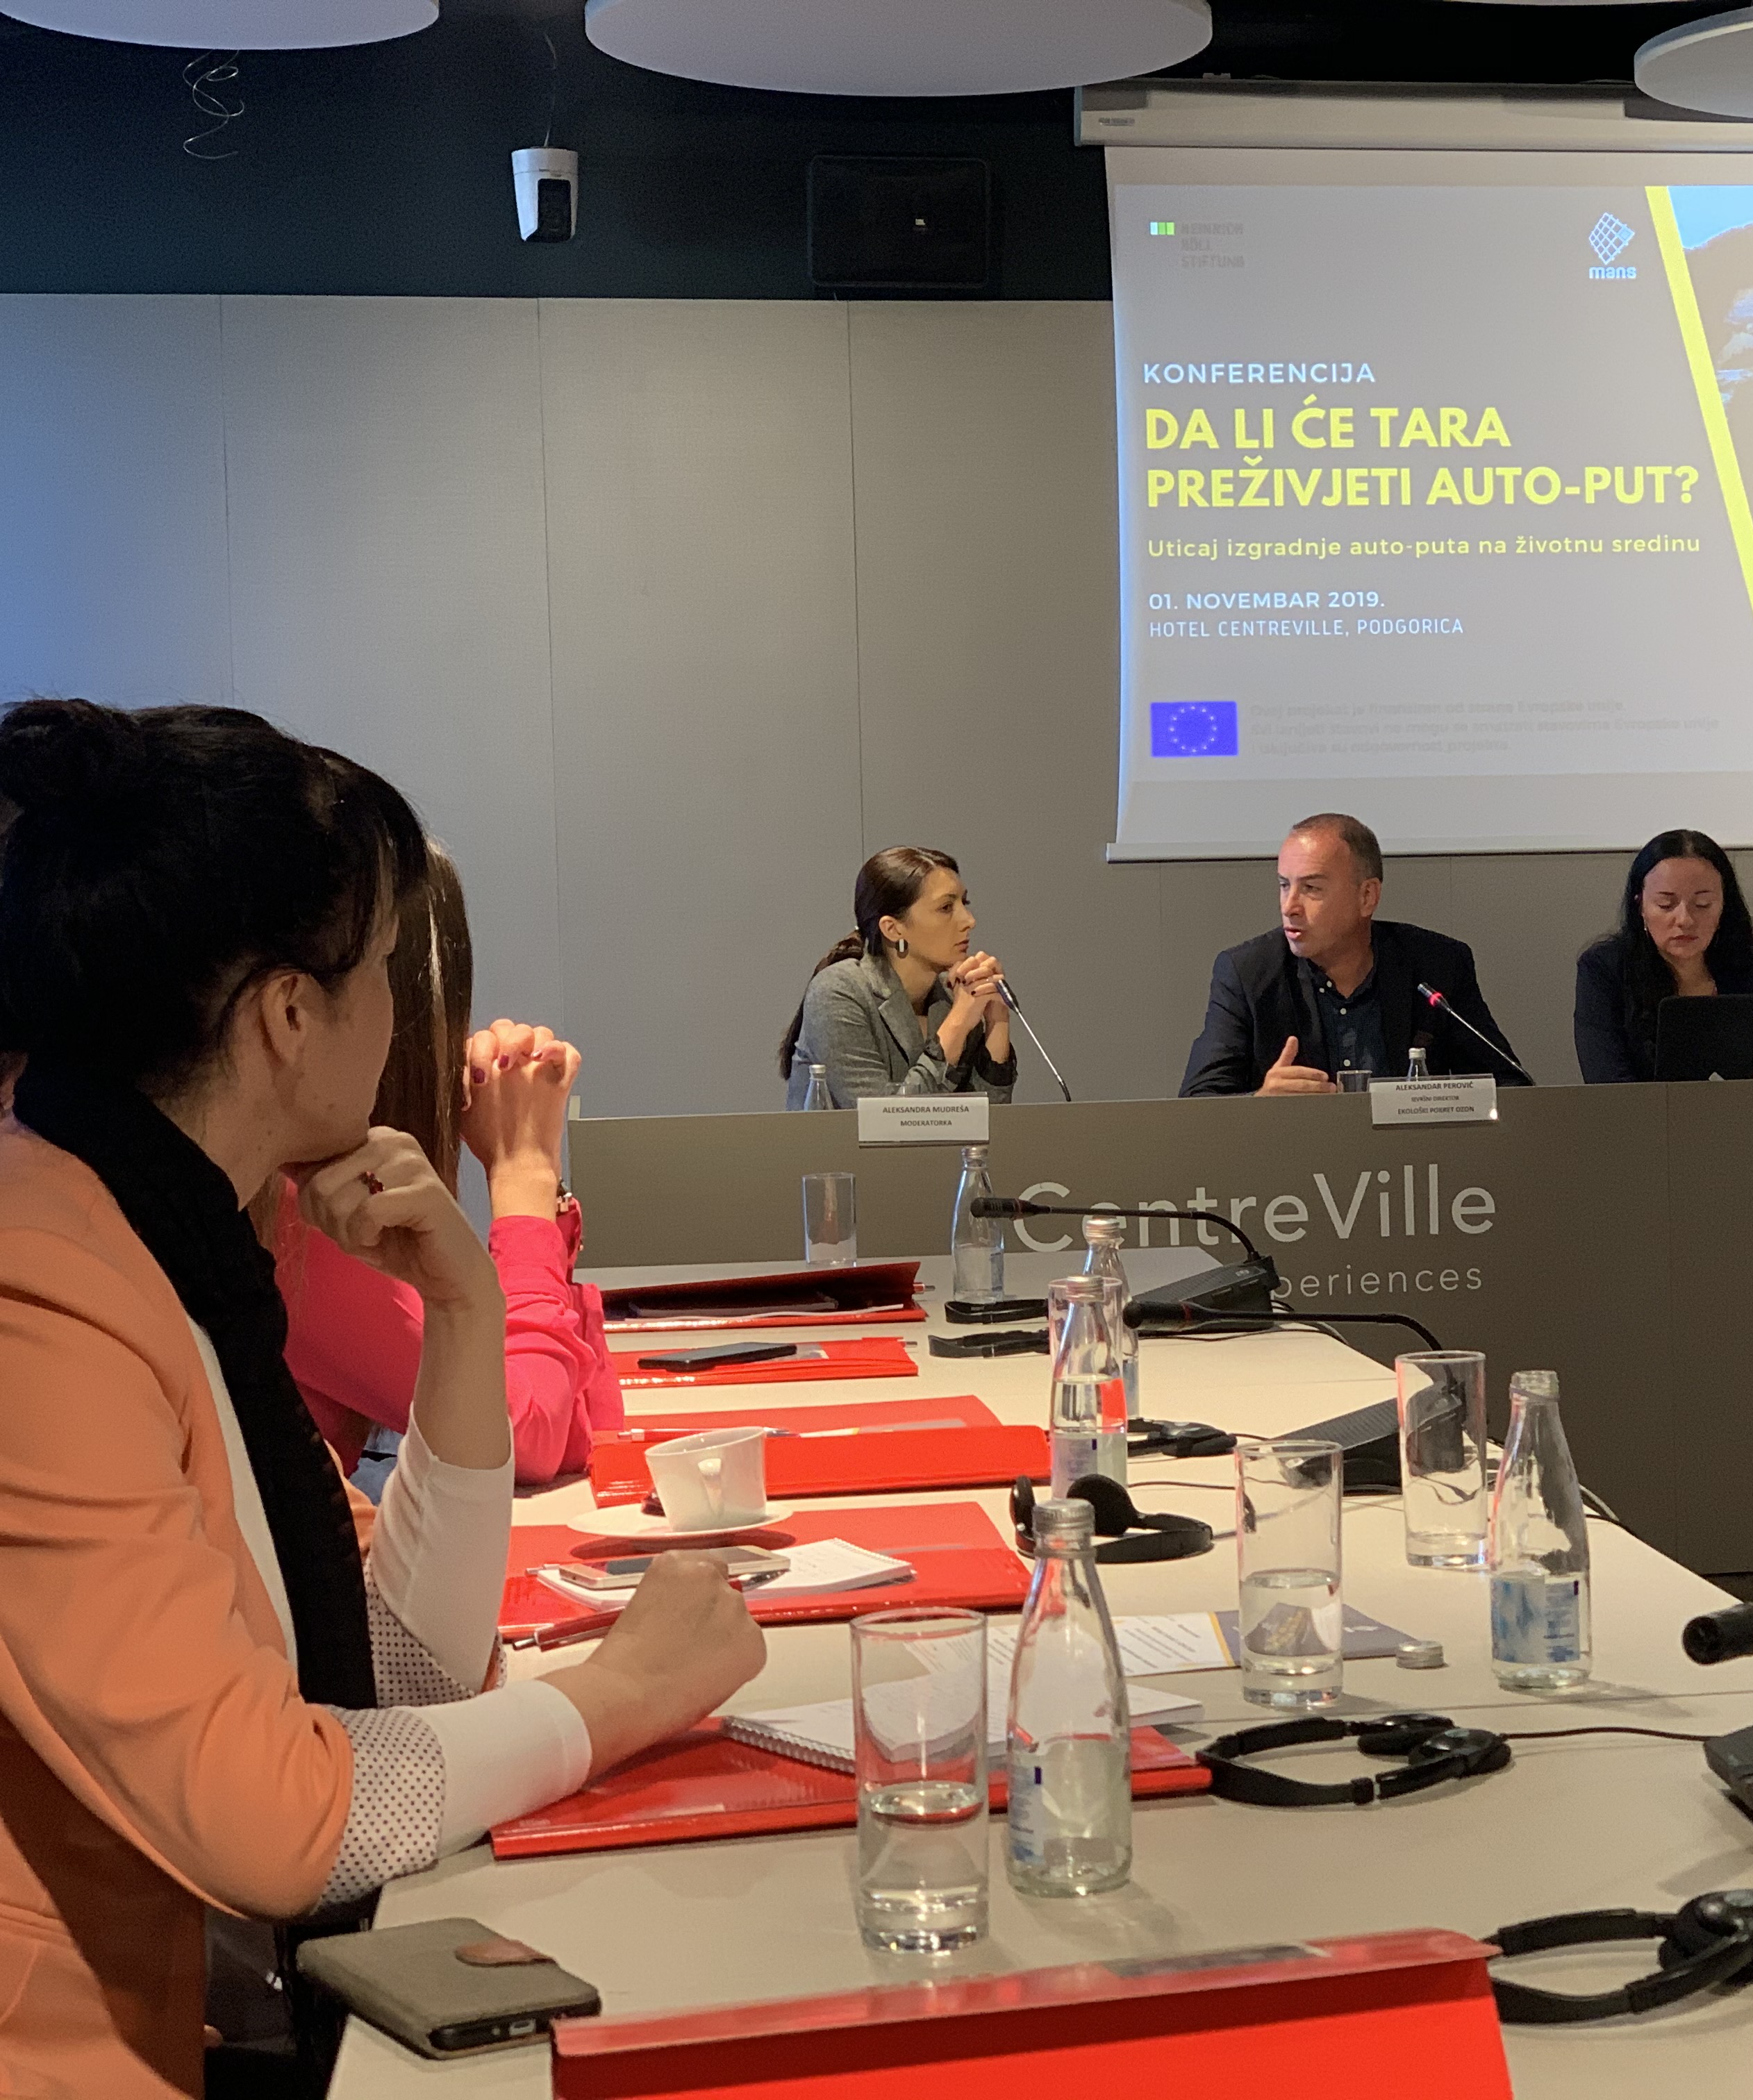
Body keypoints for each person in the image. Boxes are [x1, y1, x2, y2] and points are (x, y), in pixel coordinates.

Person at [0, 698, 763, 2098]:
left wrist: (466, 1308)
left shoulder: (181, 1232)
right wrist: (625, 1693)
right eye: (383, 971)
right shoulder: (42, 1286)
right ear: (292, 1014)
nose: (405, 1013)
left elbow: (397, 1673)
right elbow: (271, 1817)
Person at [267, 843, 624, 1488]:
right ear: (290, 1009)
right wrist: (523, 1180)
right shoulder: (291, 1209)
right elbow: (524, 1440)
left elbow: (577, 1429)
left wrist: (539, 1204)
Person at [1179, 813, 1527, 1096]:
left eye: (1311, 888)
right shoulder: (1248, 973)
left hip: (1414, 1159)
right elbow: (1199, 1102)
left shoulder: (1436, 964)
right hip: (1295, 1161)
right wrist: (1262, 1102)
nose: (1289, 906)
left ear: (1367, 897)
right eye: (1284, 885)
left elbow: (1510, 1087)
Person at [781, 846, 1015, 1106]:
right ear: (893, 929)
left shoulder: (953, 995)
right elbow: (887, 1118)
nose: (969, 920)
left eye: (965, 903)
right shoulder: (838, 992)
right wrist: (958, 1023)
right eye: (946, 907)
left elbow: (989, 1118)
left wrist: (997, 1018)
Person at [1574, 828, 1753, 1083]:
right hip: (1643, 1110)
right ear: (1640, 906)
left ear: (1724, 907)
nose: (1685, 920)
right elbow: (1609, 1083)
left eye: (1703, 905)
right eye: (1666, 905)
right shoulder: (1605, 968)